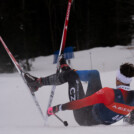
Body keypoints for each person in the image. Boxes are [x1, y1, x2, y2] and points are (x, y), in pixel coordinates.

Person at [24, 57, 134, 126]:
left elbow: (81, 103)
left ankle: (37, 83)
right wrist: (129, 118)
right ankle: (68, 71)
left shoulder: (109, 93)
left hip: (84, 117)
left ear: (118, 78)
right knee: (94, 74)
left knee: (74, 77)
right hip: (96, 111)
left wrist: (58, 108)